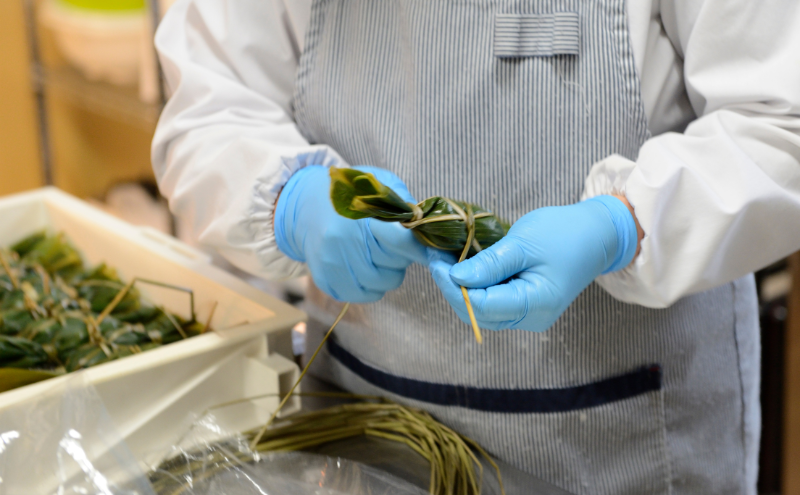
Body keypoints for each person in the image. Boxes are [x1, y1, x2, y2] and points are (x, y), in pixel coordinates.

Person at [151, 1, 800, 493]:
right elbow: (209, 111)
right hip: (367, 431)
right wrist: (292, 203)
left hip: (624, 446)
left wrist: (624, 224)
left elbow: (779, 124)